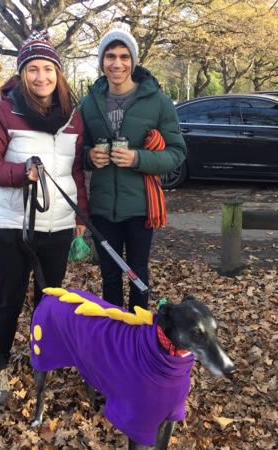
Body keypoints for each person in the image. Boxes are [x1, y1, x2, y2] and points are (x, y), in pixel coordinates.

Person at [0, 29, 89, 405]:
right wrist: (22, 173)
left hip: (58, 226)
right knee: (9, 299)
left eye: (48, 69)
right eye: (33, 69)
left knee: (49, 301)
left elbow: (74, 171)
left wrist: (79, 214)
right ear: (23, 73)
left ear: (58, 72)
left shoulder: (74, 116)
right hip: (13, 226)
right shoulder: (2, 112)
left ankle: (43, 359)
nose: (41, 77)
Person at [80, 29, 186, 312]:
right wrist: (89, 157)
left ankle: (138, 341)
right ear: (102, 61)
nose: (117, 64)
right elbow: (76, 150)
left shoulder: (159, 102)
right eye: (110, 56)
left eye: (124, 57)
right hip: (102, 207)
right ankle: (113, 339)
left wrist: (138, 159)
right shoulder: (89, 102)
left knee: (138, 276)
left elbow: (177, 153)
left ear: (134, 61)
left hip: (140, 207)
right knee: (109, 278)